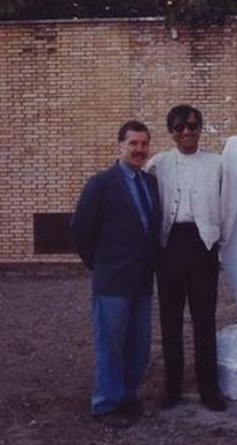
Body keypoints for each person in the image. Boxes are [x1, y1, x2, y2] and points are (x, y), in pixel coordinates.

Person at [71, 120, 161, 426]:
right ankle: (105, 405)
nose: (139, 149)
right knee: (110, 347)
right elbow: (81, 230)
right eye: (133, 144)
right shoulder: (101, 184)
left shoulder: (150, 183)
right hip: (112, 282)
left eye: (144, 144)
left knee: (138, 346)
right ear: (119, 146)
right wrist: (100, 264)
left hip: (142, 281)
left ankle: (128, 397)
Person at [146, 105, 235, 412]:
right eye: (179, 127)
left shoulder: (217, 164)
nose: (187, 132)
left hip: (203, 245)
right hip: (169, 245)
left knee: (204, 319)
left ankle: (209, 390)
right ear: (171, 132)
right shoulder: (158, 164)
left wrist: (218, 241)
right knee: (170, 320)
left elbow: (229, 206)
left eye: (193, 126)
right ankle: (171, 389)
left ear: (200, 128)